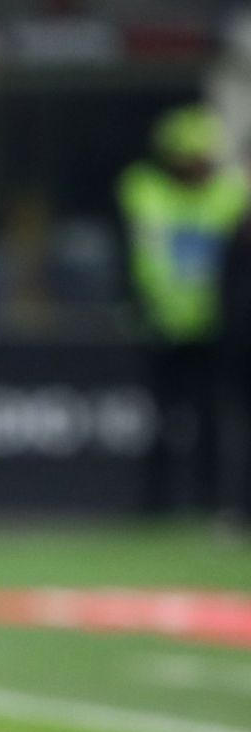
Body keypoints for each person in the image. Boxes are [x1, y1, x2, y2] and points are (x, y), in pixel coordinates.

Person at [116, 104, 250, 514]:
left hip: (216, 328)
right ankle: (156, 506)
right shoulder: (144, 190)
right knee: (160, 423)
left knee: (212, 420)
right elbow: (131, 256)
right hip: (161, 326)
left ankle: (211, 502)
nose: (197, 166)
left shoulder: (230, 195)